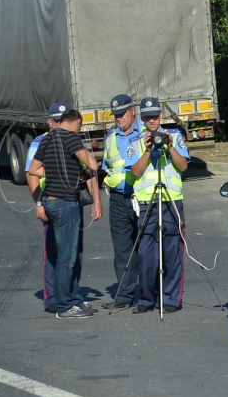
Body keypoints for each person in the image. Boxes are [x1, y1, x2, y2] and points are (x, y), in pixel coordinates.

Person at [28, 109, 103, 319]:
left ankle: (73, 299)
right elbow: (92, 165)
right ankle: (64, 305)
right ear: (77, 122)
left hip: (51, 200)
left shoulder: (47, 139)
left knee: (65, 253)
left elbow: (33, 169)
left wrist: (54, 171)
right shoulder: (71, 138)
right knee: (67, 256)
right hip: (65, 203)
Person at [130, 97, 190, 314]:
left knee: (172, 250)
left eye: (154, 116)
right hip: (148, 202)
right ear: (142, 118)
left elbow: (183, 166)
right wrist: (147, 151)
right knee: (146, 254)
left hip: (171, 200)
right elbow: (135, 172)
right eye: (146, 117)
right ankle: (146, 298)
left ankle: (171, 297)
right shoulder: (137, 140)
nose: (151, 120)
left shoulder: (173, 136)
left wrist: (170, 147)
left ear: (161, 115)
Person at [101, 94, 145, 310]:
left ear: (133, 111)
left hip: (142, 198)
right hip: (119, 200)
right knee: (122, 249)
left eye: (122, 113)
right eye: (116, 114)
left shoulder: (146, 133)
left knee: (147, 247)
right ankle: (125, 295)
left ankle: (148, 294)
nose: (119, 118)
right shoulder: (110, 137)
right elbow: (107, 168)